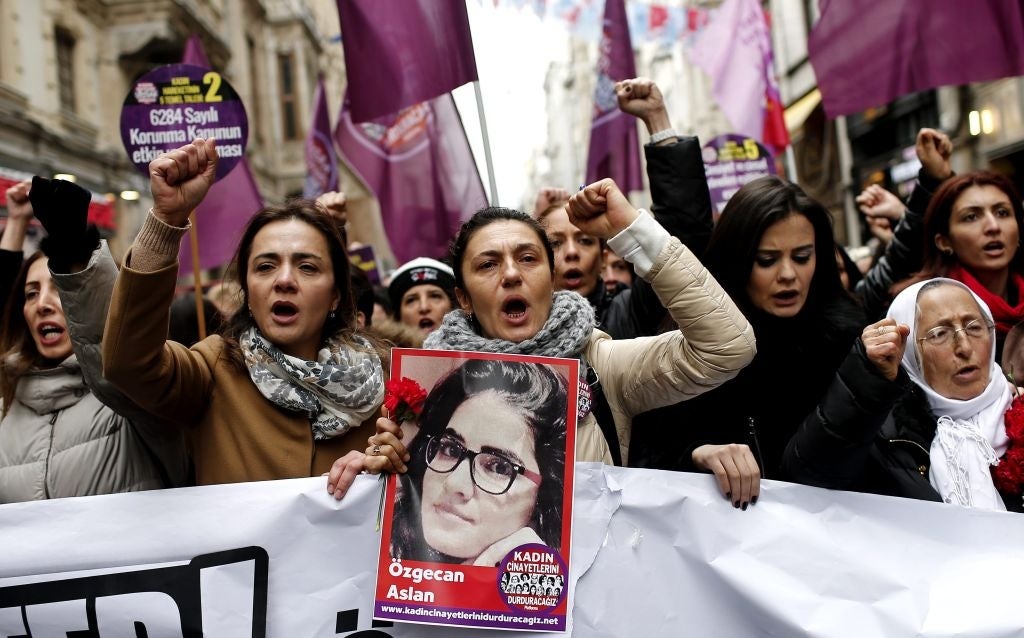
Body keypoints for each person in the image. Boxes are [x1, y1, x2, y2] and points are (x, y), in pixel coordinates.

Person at [334, 176, 756, 489]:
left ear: (552, 279)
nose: (512, 274)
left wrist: (632, 231)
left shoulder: (599, 366)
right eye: (488, 264)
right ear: (462, 297)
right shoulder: (423, 388)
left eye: (529, 258)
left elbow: (728, 346)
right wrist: (381, 471)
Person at [102, 139, 384, 489]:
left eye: (307, 267)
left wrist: (387, 469)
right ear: (248, 293)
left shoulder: (388, 380)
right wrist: (166, 221)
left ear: (335, 296)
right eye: (265, 266)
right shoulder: (213, 370)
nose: (284, 280)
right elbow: (128, 364)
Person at [630, 176, 866, 509]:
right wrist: (697, 455)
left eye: (802, 257)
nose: (788, 274)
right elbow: (643, 455)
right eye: (767, 260)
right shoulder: (689, 347)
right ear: (737, 261)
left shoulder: (851, 340)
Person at [0, 177, 188, 502]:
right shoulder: (6, 408)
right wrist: (16, 221)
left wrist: (74, 253)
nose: (43, 303)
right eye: (31, 294)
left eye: (60, 289)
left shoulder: (135, 402)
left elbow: (111, 358)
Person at [783, 278, 1022, 512]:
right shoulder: (884, 435)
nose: (965, 348)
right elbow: (810, 475)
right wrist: (867, 376)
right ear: (908, 351)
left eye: (974, 327)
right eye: (939, 334)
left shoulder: (1018, 409)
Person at [389, 359, 567, 565]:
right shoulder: (375, 543)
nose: (455, 483)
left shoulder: (576, 580)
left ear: (543, 499)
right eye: (450, 449)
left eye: (499, 467)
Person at [900, 171, 1024, 364]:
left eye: (1002, 213)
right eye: (971, 217)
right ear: (944, 241)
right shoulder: (919, 313)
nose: (993, 226)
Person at [387, 257, 457, 336]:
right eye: (411, 300)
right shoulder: (383, 349)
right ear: (398, 315)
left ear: (453, 306)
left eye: (435, 296)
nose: (424, 307)